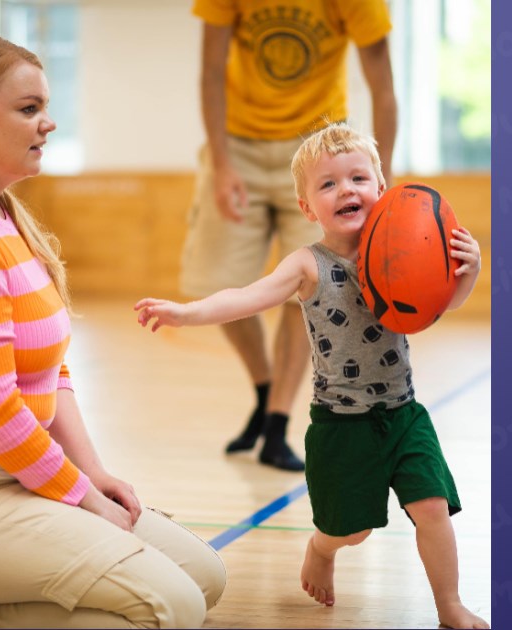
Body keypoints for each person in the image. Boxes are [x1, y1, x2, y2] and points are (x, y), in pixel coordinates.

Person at [0, 34, 225, 629]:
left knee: (203, 578)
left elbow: (49, 370)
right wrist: (79, 498)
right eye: (29, 109)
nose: (48, 124)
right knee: (174, 607)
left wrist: (93, 473)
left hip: (10, 475)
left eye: (45, 108)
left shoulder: (3, 217)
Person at [136, 124, 488, 629]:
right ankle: (323, 548)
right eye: (328, 184)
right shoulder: (308, 265)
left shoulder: (402, 247)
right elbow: (247, 297)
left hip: (404, 414)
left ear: (381, 188)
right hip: (342, 425)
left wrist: (467, 275)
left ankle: (449, 606)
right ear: (307, 208)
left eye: (358, 178)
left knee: (431, 508)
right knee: (353, 531)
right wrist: (185, 312)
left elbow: (438, 307)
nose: (346, 190)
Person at [182, 0, 398, 471]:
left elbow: (383, 88)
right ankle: (265, 391)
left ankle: (277, 424)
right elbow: (211, 69)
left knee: (313, 285)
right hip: (238, 143)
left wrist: (382, 180)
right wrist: (221, 162)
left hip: (321, 149)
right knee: (217, 278)